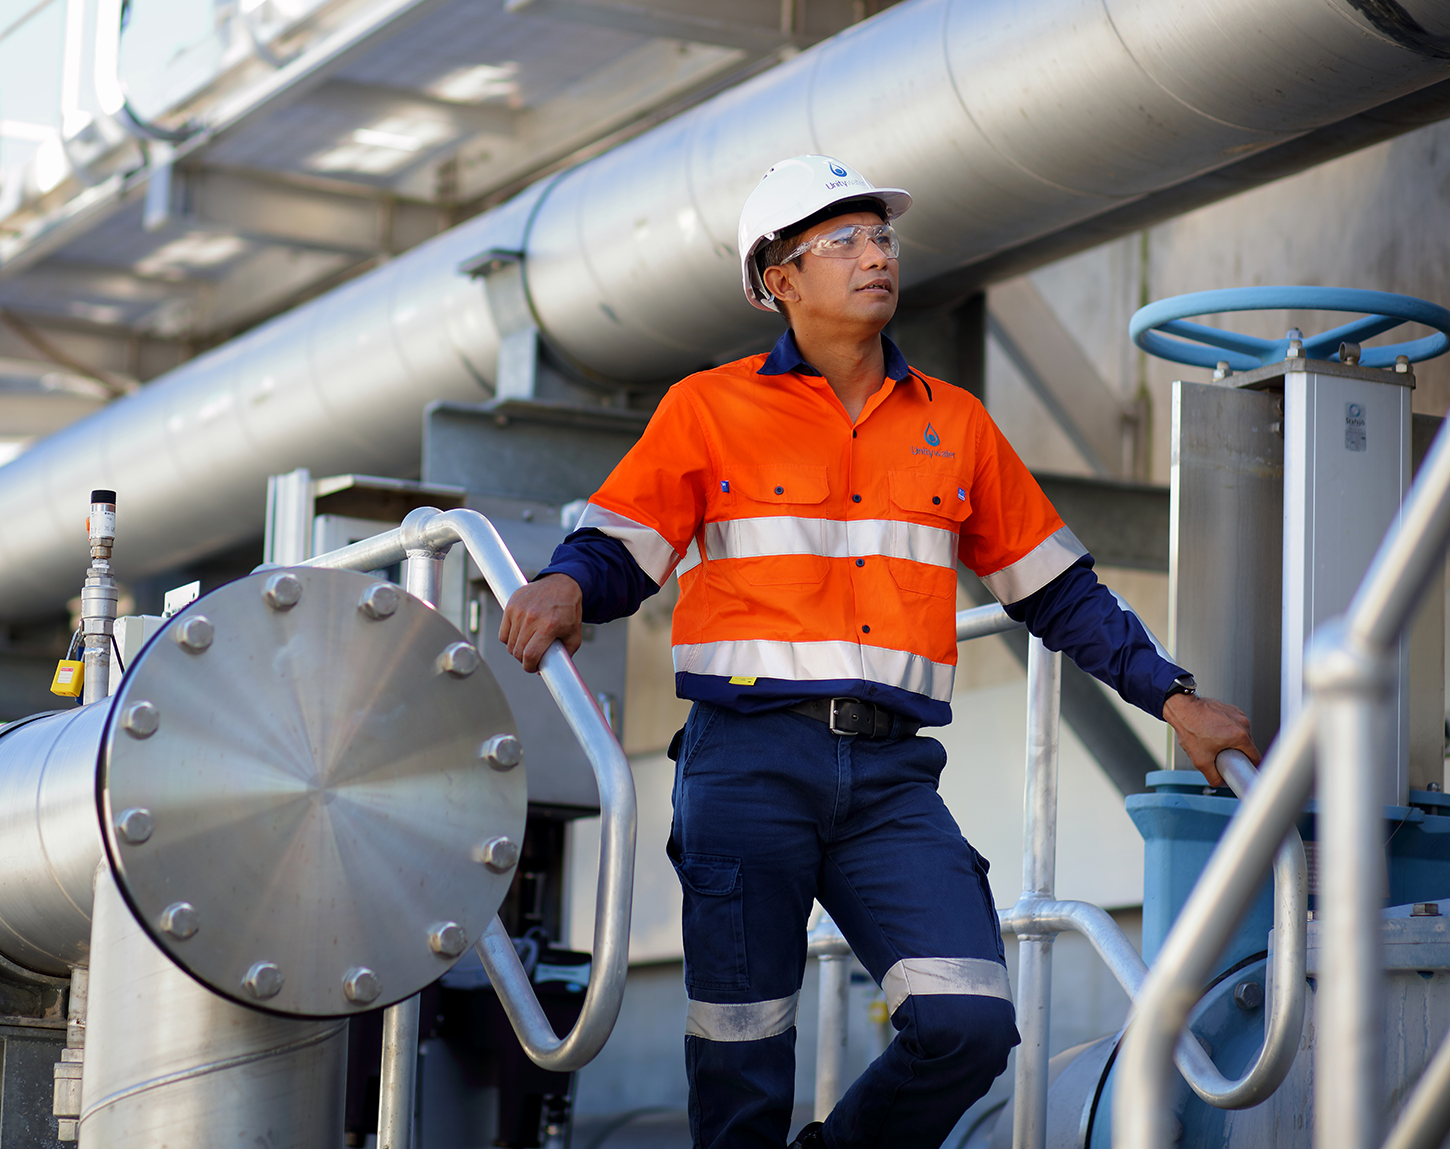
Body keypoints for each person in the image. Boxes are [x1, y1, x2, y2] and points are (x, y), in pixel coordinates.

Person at [499, 155, 1259, 1149]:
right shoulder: (708, 409)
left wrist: (1175, 698)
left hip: (893, 779)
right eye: (844, 242)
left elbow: (1060, 591)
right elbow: (619, 549)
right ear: (780, 278)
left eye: (883, 238)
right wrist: (562, 582)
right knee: (742, 1056)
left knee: (969, 1021)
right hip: (745, 759)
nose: (876, 257)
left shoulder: (956, 424)